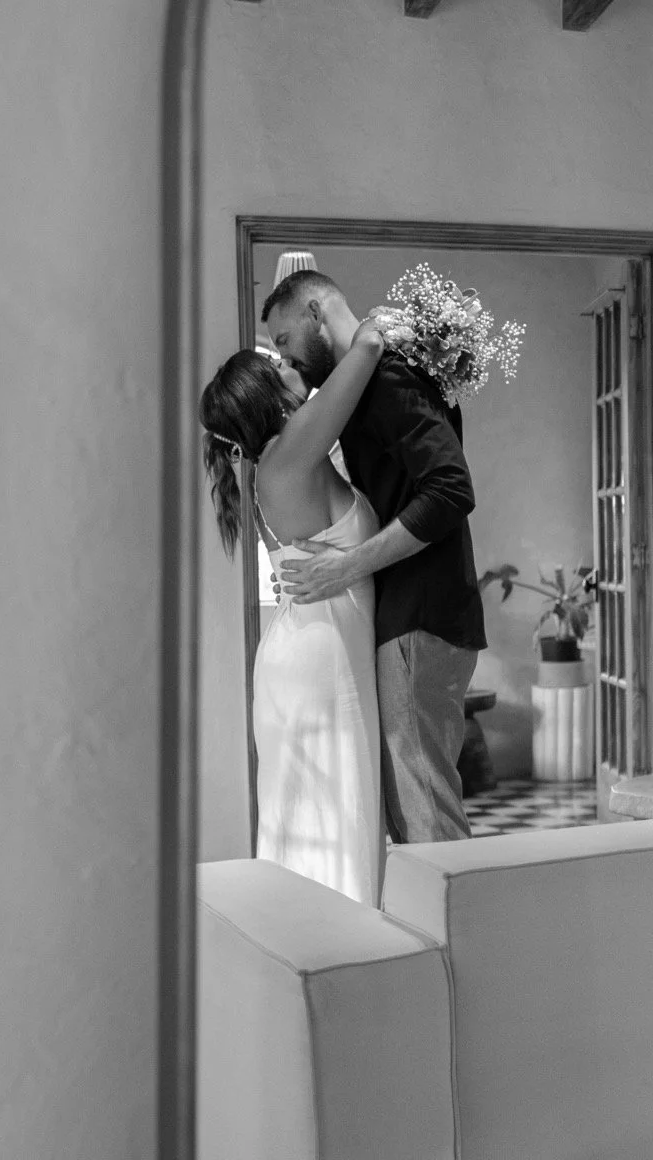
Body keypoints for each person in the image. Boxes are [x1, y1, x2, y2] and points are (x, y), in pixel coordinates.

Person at [263, 270, 486, 844]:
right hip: (417, 613)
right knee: (412, 806)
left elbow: (450, 491)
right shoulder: (368, 381)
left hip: (423, 613)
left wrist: (346, 565)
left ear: (315, 314)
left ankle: (471, 935)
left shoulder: (387, 378)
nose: (286, 357)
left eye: (284, 341)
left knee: (424, 807)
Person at [199, 320, 387, 905]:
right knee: (332, 818)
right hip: (318, 663)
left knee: (317, 822)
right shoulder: (289, 450)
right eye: (276, 364)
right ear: (266, 397)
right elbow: (371, 345)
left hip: (311, 652)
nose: (289, 367)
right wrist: (319, 316)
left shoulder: (277, 461)